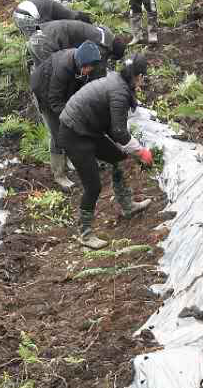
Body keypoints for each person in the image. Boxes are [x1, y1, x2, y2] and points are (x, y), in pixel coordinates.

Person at [59, 53, 154, 248]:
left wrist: (130, 149)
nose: (143, 80)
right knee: (93, 186)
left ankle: (127, 205)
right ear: (138, 76)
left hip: (89, 128)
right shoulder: (119, 92)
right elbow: (119, 131)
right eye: (143, 76)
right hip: (74, 133)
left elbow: (112, 126)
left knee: (119, 158)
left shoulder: (118, 82)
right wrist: (141, 152)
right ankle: (84, 234)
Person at [30, 40, 104, 191]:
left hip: (66, 91)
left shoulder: (90, 65)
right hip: (45, 95)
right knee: (59, 134)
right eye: (86, 67)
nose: (89, 70)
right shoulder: (63, 67)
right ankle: (59, 175)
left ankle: (78, 159)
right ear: (79, 62)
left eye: (91, 67)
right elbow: (55, 101)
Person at [27, 18, 126, 70]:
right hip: (44, 42)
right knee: (52, 74)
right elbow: (93, 66)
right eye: (111, 58)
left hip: (40, 30)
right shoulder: (101, 47)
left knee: (40, 72)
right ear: (112, 52)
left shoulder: (103, 32)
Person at [12, 0, 94, 35]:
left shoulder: (61, 11)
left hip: (18, 12)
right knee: (40, 34)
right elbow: (42, 28)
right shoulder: (64, 14)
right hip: (26, 15)